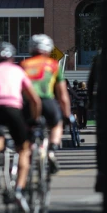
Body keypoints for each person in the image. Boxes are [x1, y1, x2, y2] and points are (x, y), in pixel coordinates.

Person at [0, 42, 41, 213]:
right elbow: (34, 100)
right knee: (23, 149)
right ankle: (19, 190)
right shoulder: (18, 71)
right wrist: (33, 120)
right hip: (13, 109)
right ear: (12, 57)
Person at [20, 34, 72, 174]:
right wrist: (67, 115)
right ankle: (52, 151)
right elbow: (62, 96)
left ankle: (31, 150)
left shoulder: (24, 65)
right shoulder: (54, 65)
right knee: (56, 124)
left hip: (29, 103)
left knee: (27, 130)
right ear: (48, 49)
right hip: (48, 101)